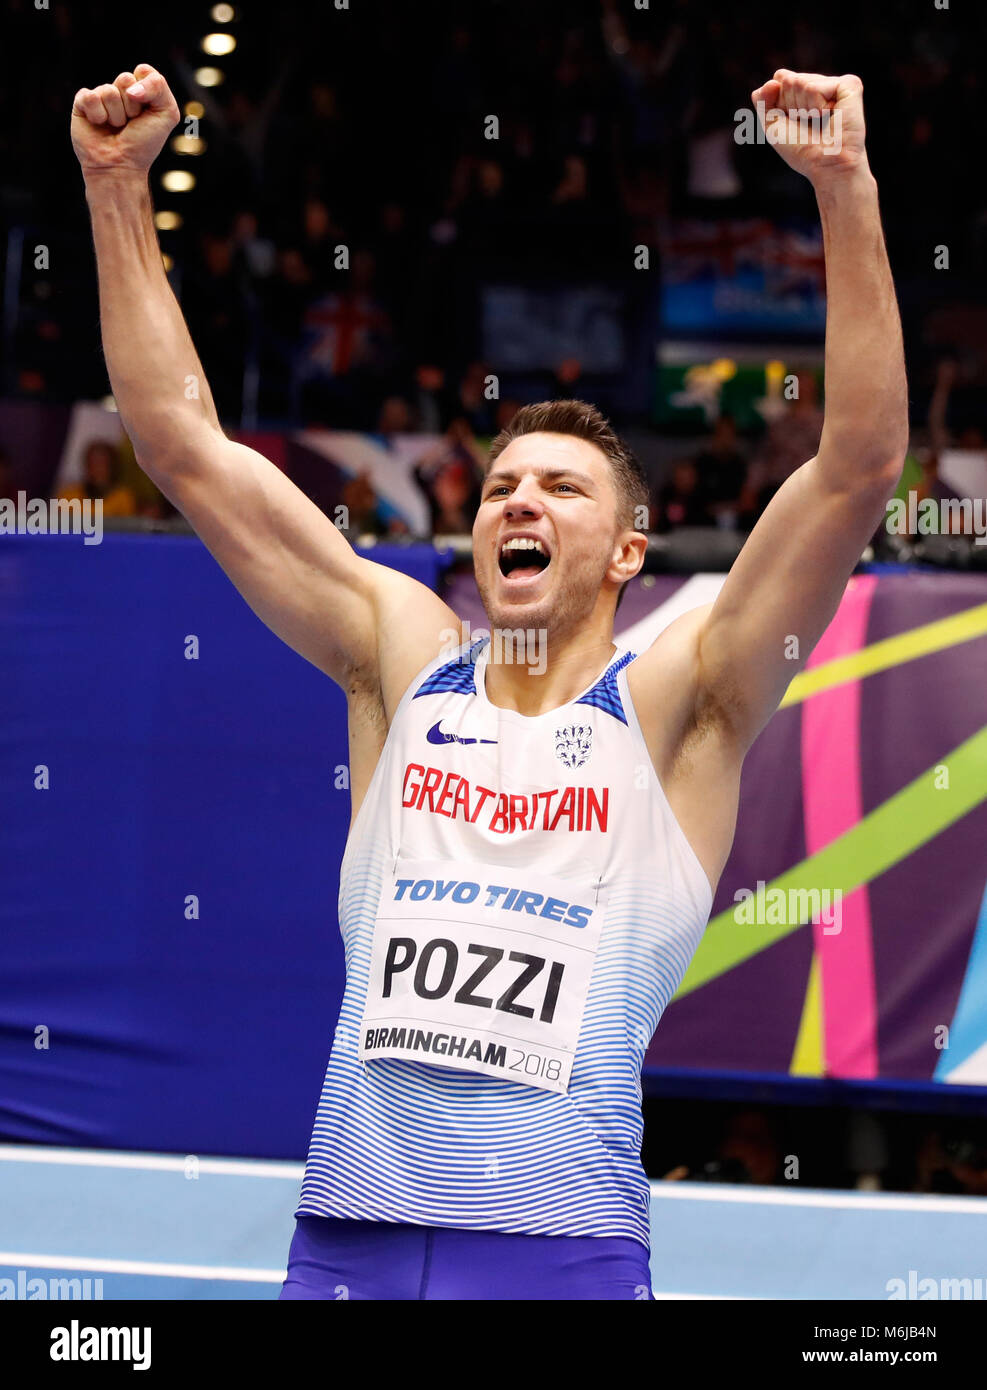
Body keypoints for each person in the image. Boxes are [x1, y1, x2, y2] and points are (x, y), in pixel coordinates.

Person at [72, 64, 907, 1300]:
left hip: (557, 1253)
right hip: (347, 1241)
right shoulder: (399, 656)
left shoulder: (679, 702)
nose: (520, 499)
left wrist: (843, 185)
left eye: (563, 488)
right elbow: (181, 443)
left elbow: (856, 470)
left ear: (630, 550)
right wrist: (114, 189)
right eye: (503, 486)